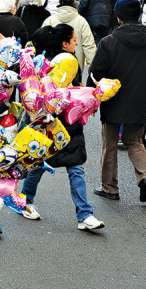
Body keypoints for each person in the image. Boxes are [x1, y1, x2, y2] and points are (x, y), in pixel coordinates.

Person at [19, 23, 105, 231]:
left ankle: (85, 214)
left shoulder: (57, 62)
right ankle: (25, 201)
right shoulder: (60, 63)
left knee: (73, 167)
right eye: (74, 39)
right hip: (53, 122)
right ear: (65, 43)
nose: (77, 42)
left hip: (65, 123)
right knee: (40, 165)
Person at [90, 0, 146, 203]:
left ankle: (110, 187)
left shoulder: (109, 42)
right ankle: (144, 176)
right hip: (139, 99)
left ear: (119, 16)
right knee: (134, 140)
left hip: (113, 98)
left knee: (110, 143)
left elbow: (96, 72)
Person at [43, 0, 97, 76]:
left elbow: (42, 42)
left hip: (52, 68)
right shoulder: (81, 21)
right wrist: (92, 70)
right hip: (75, 69)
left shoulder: (49, 20)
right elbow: (89, 46)